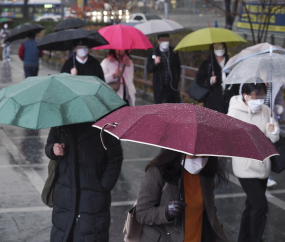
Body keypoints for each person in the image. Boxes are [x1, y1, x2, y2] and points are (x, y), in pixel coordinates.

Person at [45, 122, 123, 241]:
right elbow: (49, 146)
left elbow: (115, 158)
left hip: (93, 197)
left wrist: (103, 187)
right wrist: (53, 149)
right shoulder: (60, 122)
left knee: (91, 235)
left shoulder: (106, 124)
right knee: (63, 234)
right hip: (65, 194)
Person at [135, 149, 229, 242]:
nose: (200, 159)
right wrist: (166, 212)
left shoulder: (206, 176)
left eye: (204, 155)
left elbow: (209, 209)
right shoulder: (157, 172)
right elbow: (141, 213)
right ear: (178, 152)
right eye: (194, 155)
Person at [227, 80, 279, 242]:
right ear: (246, 96)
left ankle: (244, 238)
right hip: (245, 166)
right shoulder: (235, 112)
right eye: (256, 96)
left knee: (251, 206)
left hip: (263, 166)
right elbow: (230, 138)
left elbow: (274, 138)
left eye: (262, 95)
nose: (260, 99)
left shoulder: (266, 110)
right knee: (260, 206)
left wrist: (273, 130)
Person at [196, 42, 239, 114]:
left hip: (228, 101)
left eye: (221, 46)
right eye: (216, 46)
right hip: (211, 101)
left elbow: (236, 82)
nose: (219, 49)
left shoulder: (231, 63)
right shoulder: (207, 64)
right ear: (212, 48)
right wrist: (210, 81)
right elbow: (199, 80)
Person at [147, 33, 181, 104]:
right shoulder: (154, 53)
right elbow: (149, 69)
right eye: (163, 41)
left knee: (174, 108)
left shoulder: (173, 52)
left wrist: (177, 80)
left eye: (167, 40)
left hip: (172, 87)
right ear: (159, 41)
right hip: (160, 88)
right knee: (161, 108)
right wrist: (155, 63)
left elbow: (178, 67)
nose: (165, 43)